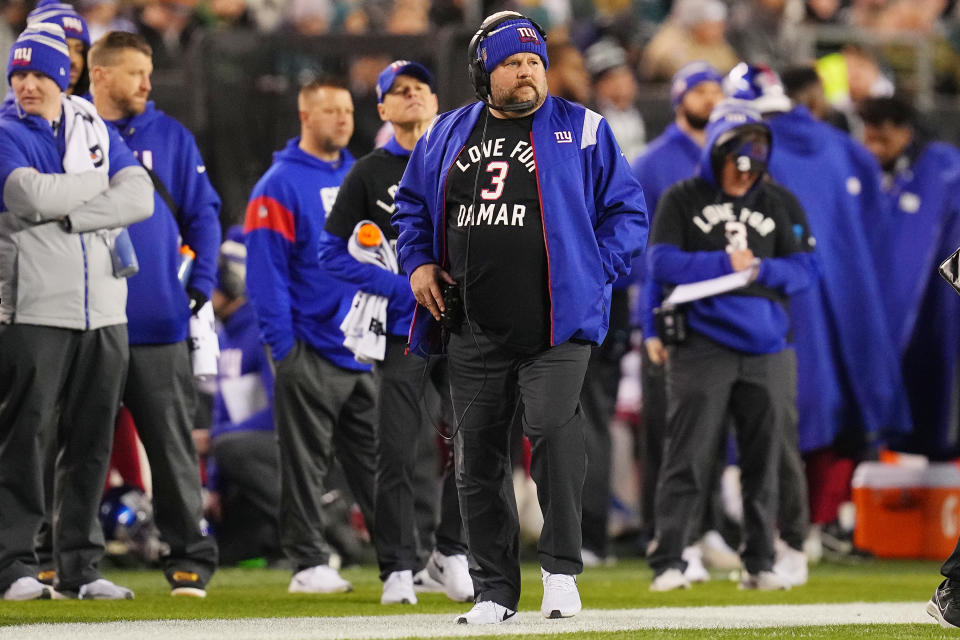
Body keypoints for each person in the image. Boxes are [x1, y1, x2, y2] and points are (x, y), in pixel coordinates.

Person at [392, 11, 648, 624]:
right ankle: (494, 591)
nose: (528, 72)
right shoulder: (445, 134)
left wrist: (593, 267)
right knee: (475, 457)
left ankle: (561, 572)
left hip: (557, 323)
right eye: (513, 62)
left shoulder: (583, 128)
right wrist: (419, 263)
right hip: (471, 323)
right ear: (485, 70)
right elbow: (409, 207)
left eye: (534, 61)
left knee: (555, 436)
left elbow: (628, 212)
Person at [725, 63, 911, 561]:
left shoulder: (749, 146)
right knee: (838, 403)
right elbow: (877, 217)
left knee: (776, 406)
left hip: (776, 289)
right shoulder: (841, 144)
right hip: (851, 290)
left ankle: (781, 524)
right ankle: (824, 520)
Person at [0, 23, 153, 600]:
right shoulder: (6, 129)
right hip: (36, 306)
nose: (27, 85)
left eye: (39, 73)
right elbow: (25, 197)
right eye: (18, 74)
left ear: (63, 76)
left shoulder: (89, 123)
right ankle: (14, 565)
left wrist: (72, 210)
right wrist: (95, 187)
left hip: (105, 308)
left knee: (91, 441)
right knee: (26, 441)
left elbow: (138, 198)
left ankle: (79, 570)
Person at [317, 59, 473, 606]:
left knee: (474, 443)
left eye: (420, 89)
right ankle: (397, 567)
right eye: (398, 92)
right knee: (397, 450)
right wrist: (395, 284)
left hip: (462, 328)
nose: (411, 97)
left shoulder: (466, 161)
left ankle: (451, 552)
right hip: (403, 328)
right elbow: (330, 251)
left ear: (436, 101)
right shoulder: (367, 172)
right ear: (382, 108)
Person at [646, 100, 816, 592]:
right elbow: (658, 264)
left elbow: (807, 269)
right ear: (716, 154)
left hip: (767, 349)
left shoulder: (781, 202)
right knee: (688, 456)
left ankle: (760, 561)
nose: (744, 177)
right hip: (701, 346)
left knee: (765, 461)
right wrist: (726, 265)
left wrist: (760, 269)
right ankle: (671, 559)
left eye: (753, 165)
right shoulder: (682, 196)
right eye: (736, 165)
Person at [89, 30, 221, 597]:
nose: (148, 82)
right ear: (99, 75)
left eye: (149, 70)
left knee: (170, 449)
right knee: (79, 449)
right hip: (86, 321)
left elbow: (204, 215)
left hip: (157, 321)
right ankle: (68, 563)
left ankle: (190, 557)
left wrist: (202, 286)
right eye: (136, 71)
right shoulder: (73, 134)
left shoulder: (171, 136)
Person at [244, 77, 377, 594]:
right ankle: (307, 562)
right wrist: (284, 348)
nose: (343, 118)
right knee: (303, 462)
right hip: (306, 345)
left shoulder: (358, 176)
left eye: (347, 109)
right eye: (330, 110)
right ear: (305, 116)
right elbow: (266, 274)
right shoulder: (277, 184)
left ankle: (401, 559)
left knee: (377, 462)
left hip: (359, 346)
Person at [630, 62, 727, 575]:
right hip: (669, 310)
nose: (712, 99)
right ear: (678, 98)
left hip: (719, 315)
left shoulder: (730, 159)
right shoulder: (653, 163)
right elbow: (642, 251)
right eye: (702, 90)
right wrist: (646, 320)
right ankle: (662, 534)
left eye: (718, 89)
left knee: (710, 429)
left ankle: (706, 527)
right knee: (667, 433)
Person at [859, 96, 960, 458]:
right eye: (868, 139)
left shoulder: (945, 168)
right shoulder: (871, 176)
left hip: (941, 308)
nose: (873, 149)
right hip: (891, 312)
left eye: (881, 140)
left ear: (905, 132)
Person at [27, 0, 91, 98]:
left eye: (79, 51)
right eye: (63, 48)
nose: (73, 60)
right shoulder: (14, 112)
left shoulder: (98, 109)